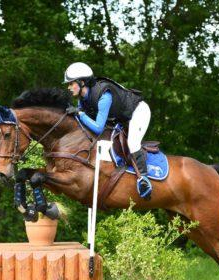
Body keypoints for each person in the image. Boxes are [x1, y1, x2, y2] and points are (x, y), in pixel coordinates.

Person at [63, 62, 153, 199]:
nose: (69, 88)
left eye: (71, 84)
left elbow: (98, 128)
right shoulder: (83, 99)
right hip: (122, 119)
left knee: (133, 142)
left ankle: (144, 180)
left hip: (138, 112)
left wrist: (80, 114)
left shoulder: (104, 95)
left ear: (81, 82)